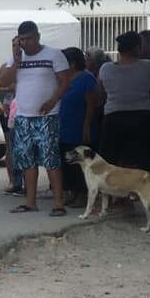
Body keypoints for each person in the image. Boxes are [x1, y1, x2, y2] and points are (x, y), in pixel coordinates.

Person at [0, 20, 71, 216]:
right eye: (22, 40)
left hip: (48, 115)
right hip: (23, 116)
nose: (26, 43)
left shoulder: (54, 54)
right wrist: (16, 61)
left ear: (37, 36)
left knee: (51, 159)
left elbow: (65, 81)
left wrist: (53, 100)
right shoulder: (15, 59)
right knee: (27, 160)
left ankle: (58, 203)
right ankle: (30, 202)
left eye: (29, 39)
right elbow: (3, 82)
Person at [98, 31, 150, 170]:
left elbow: (101, 93)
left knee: (111, 159)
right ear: (138, 47)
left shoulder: (105, 68)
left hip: (113, 115)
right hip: (142, 115)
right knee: (138, 159)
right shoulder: (147, 66)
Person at [57, 47, 97, 204]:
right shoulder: (63, 78)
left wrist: (86, 125)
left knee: (81, 161)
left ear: (72, 63)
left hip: (79, 125)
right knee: (66, 161)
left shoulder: (87, 78)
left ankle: (82, 193)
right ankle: (72, 191)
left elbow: (91, 104)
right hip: (64, 126)